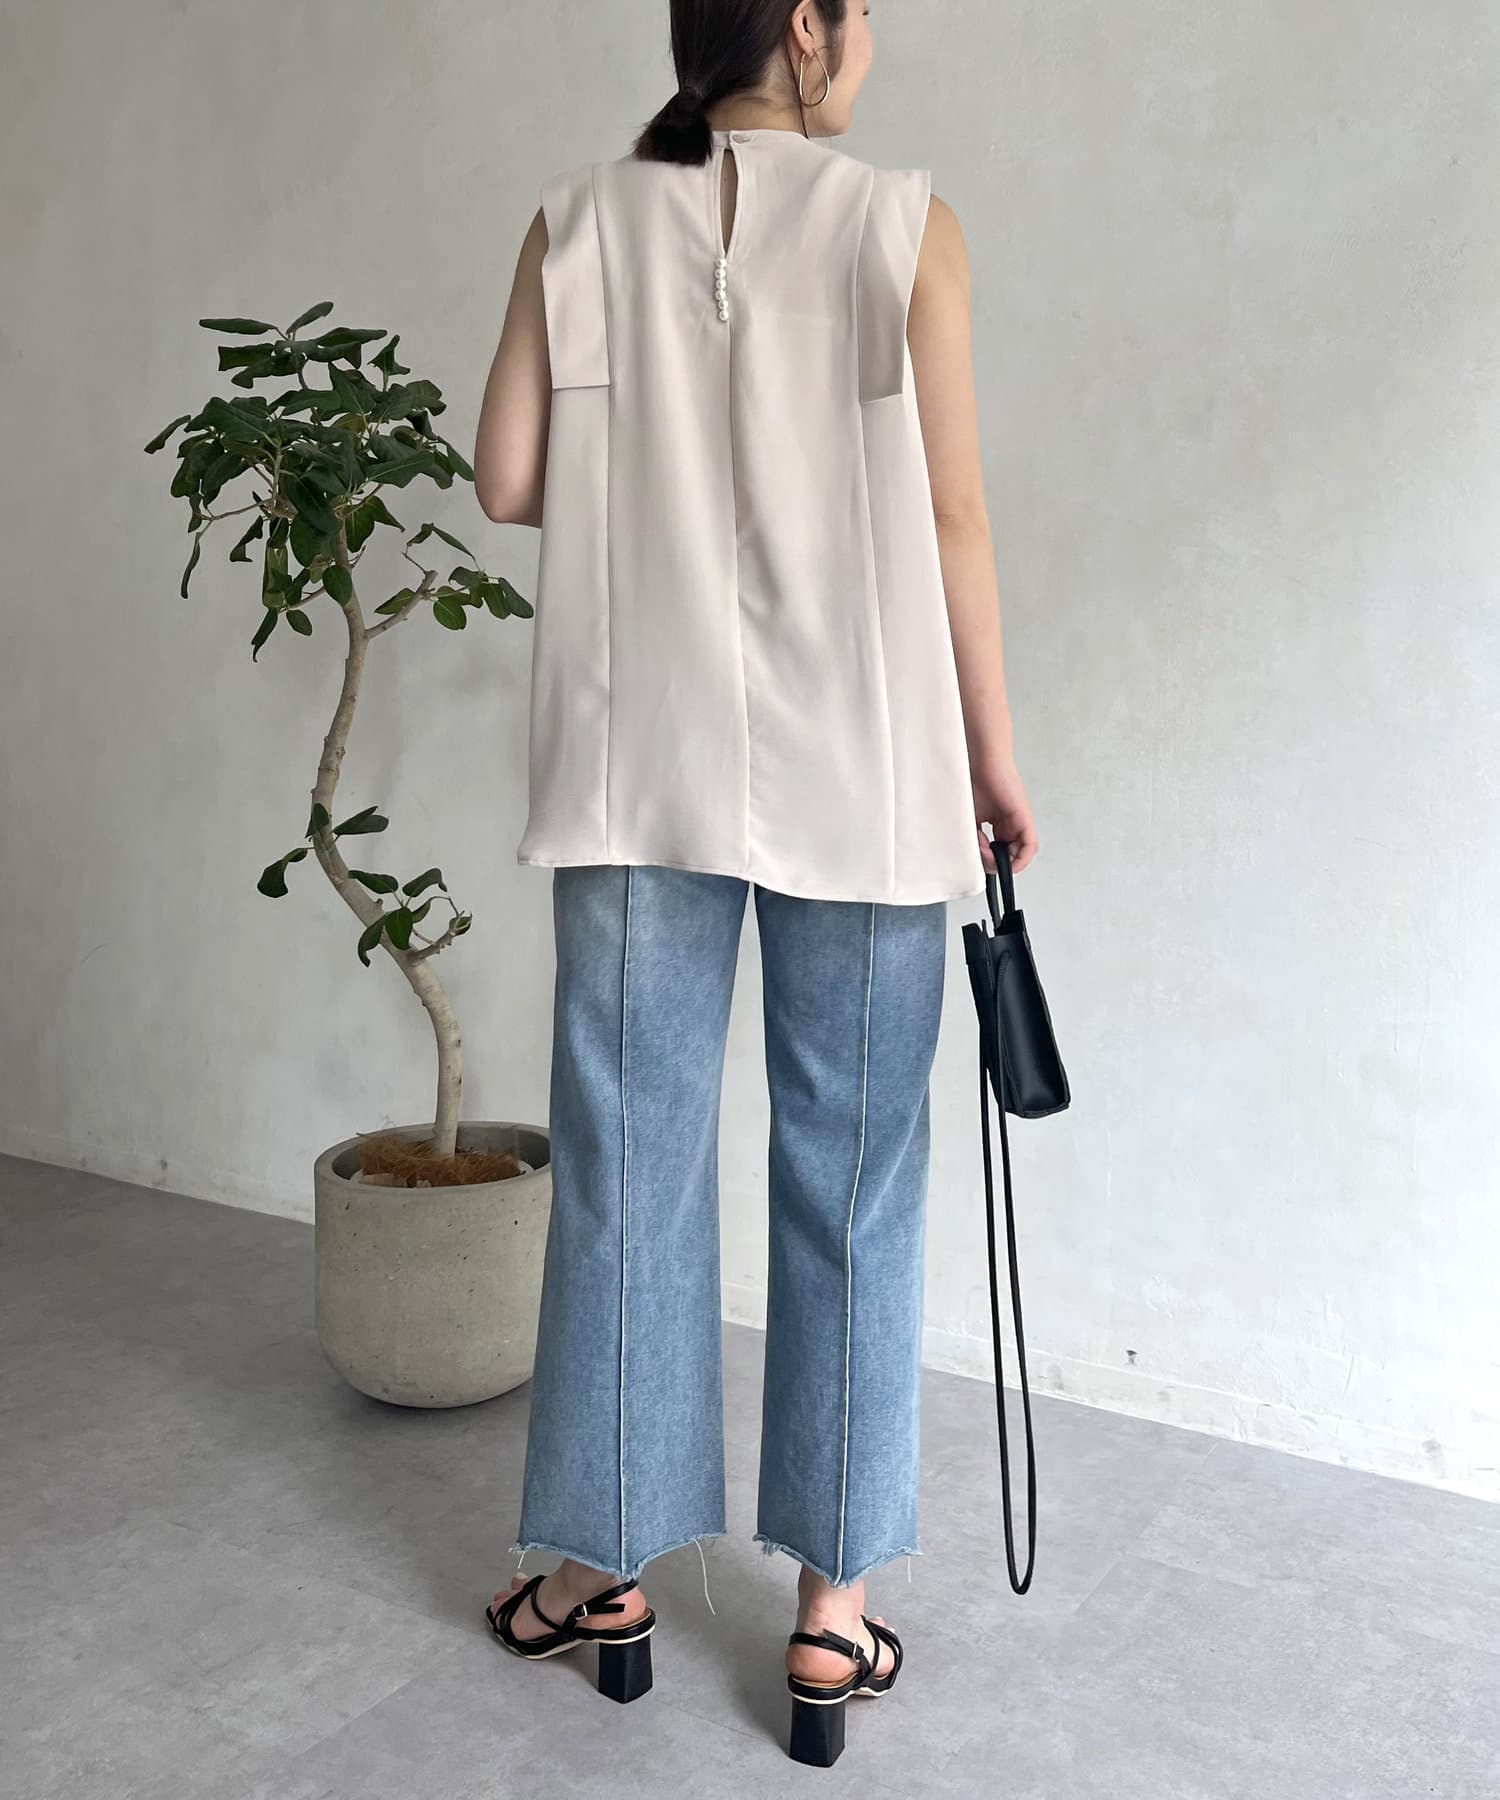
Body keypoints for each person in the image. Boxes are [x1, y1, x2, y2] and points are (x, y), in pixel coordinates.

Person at [472, 0, 1037, 1766]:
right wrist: (994, 759)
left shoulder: (574, 221)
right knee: (853, 1173)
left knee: (626, 1162)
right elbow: (952, 517)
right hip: (865, 767)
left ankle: (605, 1582)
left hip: (632, 766)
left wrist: (653, 460)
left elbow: (506, 479)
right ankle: (830, 1621)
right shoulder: (906, 228)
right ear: (805, 27)